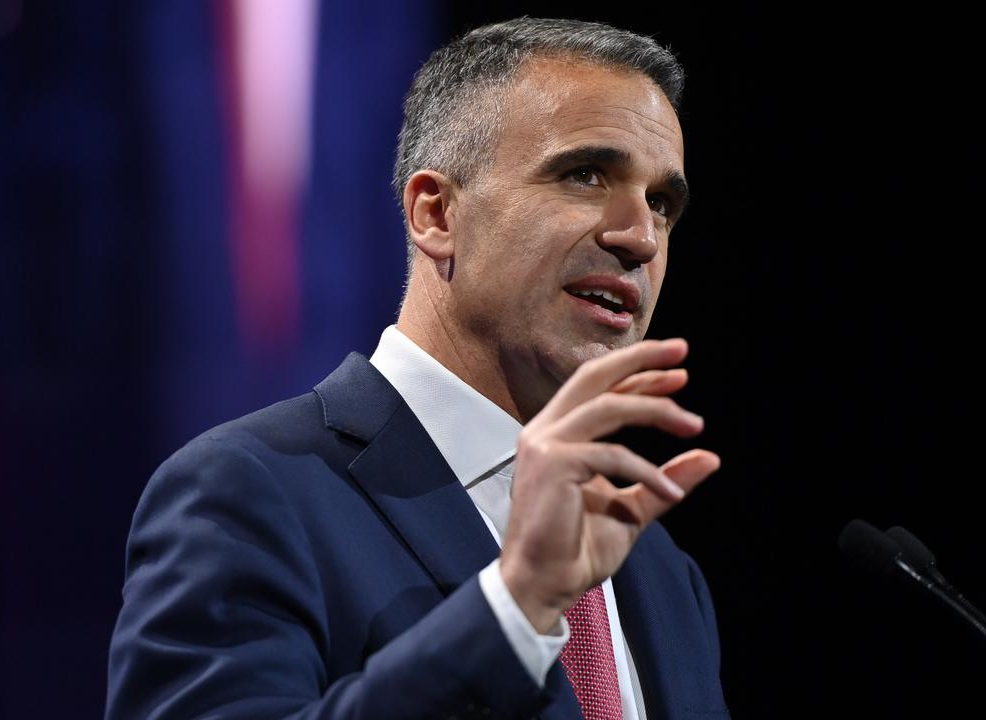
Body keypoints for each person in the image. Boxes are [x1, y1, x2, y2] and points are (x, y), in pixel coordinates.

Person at [107, 17, 727, 720]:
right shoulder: (246, 493)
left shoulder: (661, 573)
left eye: (662, 203)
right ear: (436, 213)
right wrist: (514, 610)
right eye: (585, 175)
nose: (640, 237)